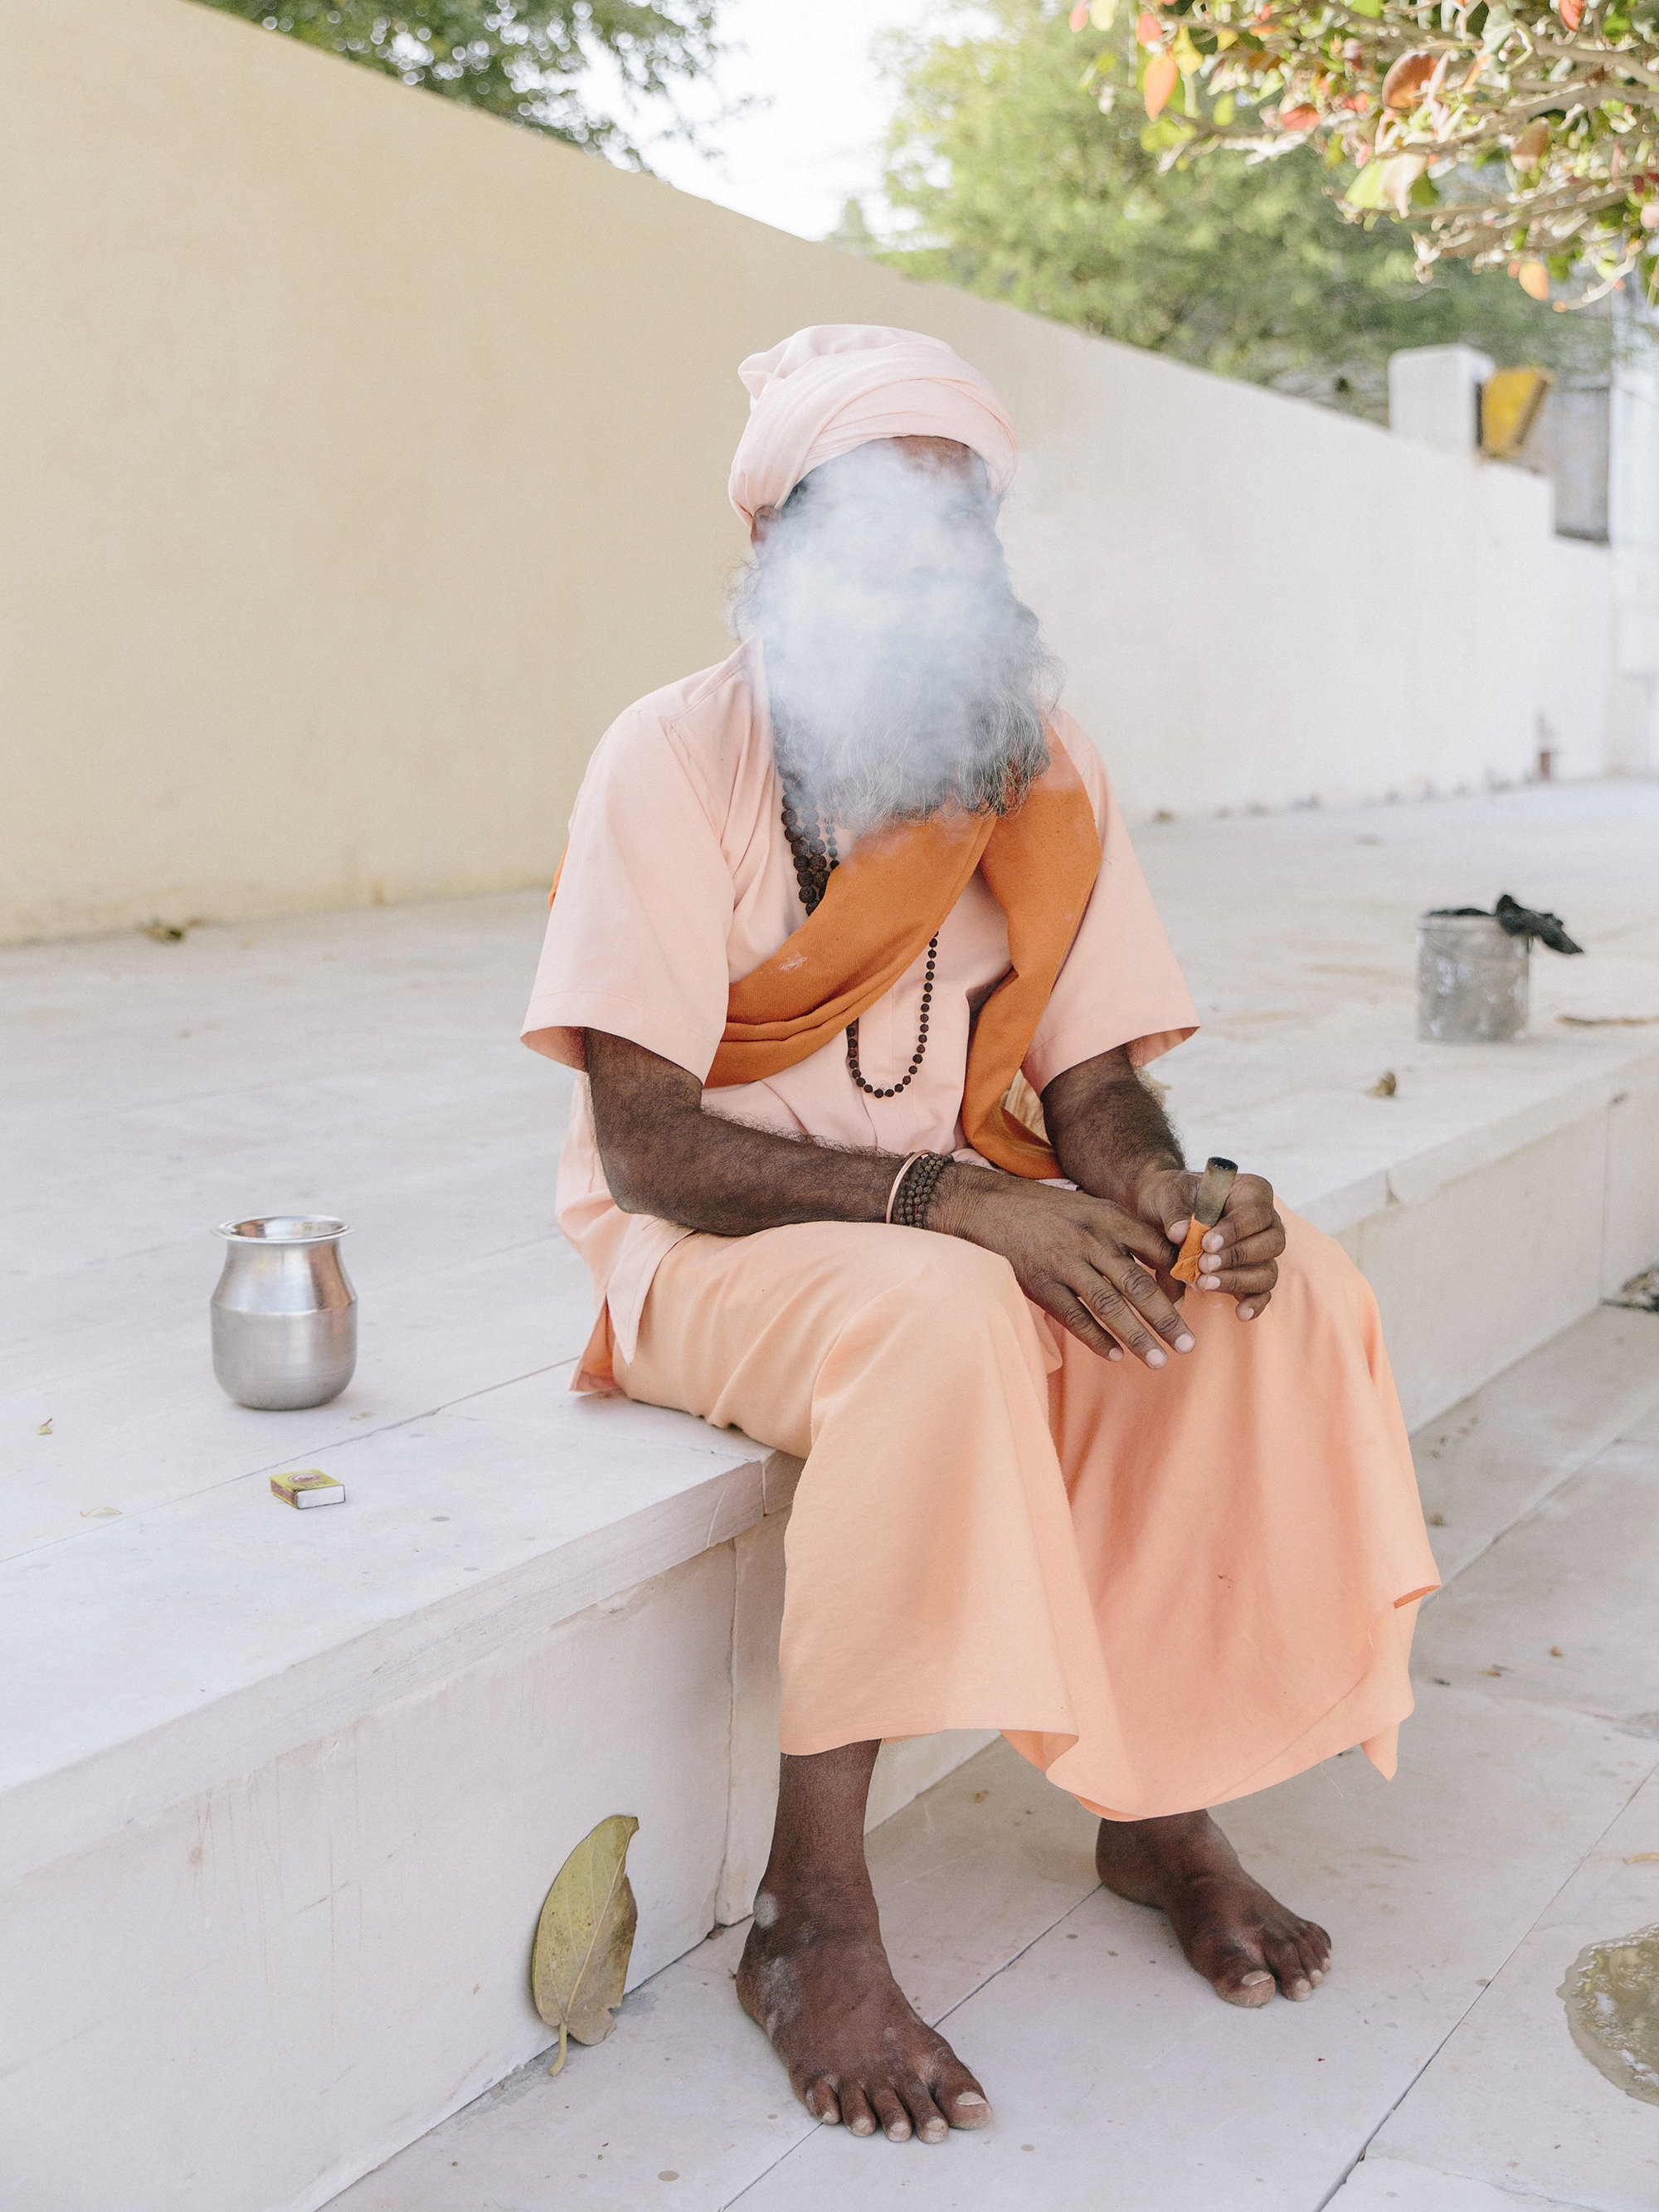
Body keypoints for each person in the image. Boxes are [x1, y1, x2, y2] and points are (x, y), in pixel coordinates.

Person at [522, 323, 1438, 2146]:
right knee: (938, 1314)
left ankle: (1156, 1793)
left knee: (1268, 1295)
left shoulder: (1042, 762)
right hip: (706, 1255)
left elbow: (1095, 1097)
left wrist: (1180, 1200)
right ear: (782, 546)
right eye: (883, 523)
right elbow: (642, 1145)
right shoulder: (673, 755)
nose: (931, 566)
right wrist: (953, 1198)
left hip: (957, 1232)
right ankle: (813, 1911)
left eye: (966, 527)